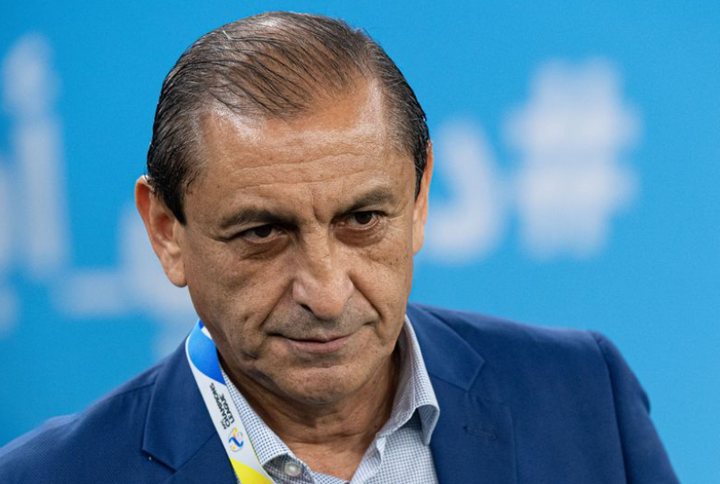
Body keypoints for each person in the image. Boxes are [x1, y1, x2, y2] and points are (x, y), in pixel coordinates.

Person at [0, 11, 679, 484]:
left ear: (420, 198)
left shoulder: (584, 397)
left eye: (362, 219)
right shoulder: (47, 477)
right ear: (166, 232)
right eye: (262, 233)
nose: (325, 294)